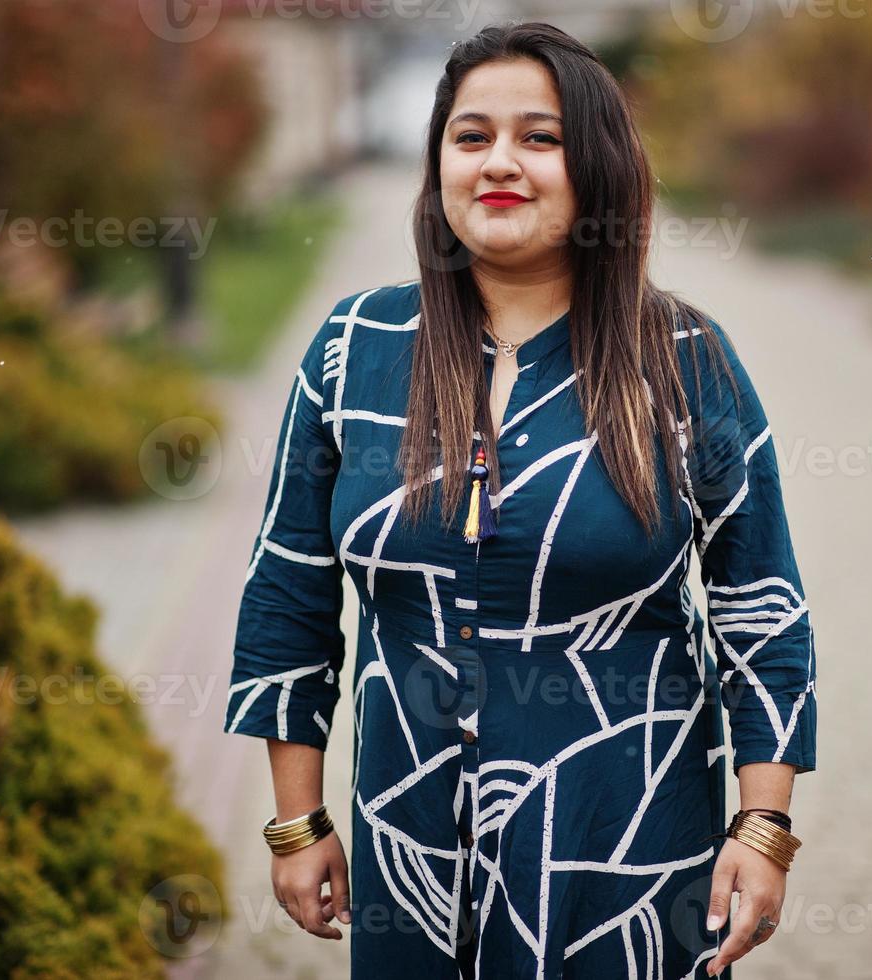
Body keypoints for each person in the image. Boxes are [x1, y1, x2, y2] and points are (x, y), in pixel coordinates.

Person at [223, 21, 817, 980]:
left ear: (598, 170)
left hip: (624, 846)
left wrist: (763, 826)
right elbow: (287, 599)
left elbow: (761, 611)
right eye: (471, 137)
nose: (500, 162)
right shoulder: (354, 347)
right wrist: (297, 823)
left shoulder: (684, 363)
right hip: (404, 837)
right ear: (439, 166)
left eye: (539, 138)